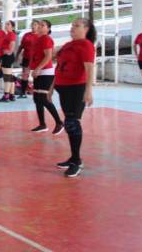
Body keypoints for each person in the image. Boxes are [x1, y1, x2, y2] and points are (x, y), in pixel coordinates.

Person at [54, 18, 96, 178]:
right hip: (63, 88)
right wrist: (51, 88)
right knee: (69, 121)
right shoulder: (68, 45)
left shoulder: (86, 45)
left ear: (86, 29)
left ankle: (77, 161)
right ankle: (73, 157)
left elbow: (89, 68)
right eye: (72, 25)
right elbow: (59, 66)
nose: (72, 28)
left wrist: (88, 90)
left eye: (76, 26)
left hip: (76, 89)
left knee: (72, 122)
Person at [30, 20, 64, 134]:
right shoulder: (38, 39)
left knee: (44, 99)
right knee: (37, 99)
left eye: (43, 25)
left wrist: (38, 68)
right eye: (39, 25)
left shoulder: (46, 39)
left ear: (48, 29)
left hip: (46, 73)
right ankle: (42, 124)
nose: (39, 26)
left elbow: (48, 56)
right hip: (39, 72)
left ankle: (59, 122)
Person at [16, 21, 39, 98]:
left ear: (38, 26)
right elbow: (21, 46)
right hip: (26, 57)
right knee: (25, 75)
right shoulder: (26, 35)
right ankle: (23, 92)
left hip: (36, 59)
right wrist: (17, 55)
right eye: (32, 25)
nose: (33, 26)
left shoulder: (40, 36)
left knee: (36, 75)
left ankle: (36, 91)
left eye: (35, 25)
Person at [0, 20, 18, 102]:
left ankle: (6, 95)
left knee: (7, 77)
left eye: (8, 24)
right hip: (7, 56)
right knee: (9, 76)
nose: (6, 25)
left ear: (12, 27)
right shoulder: (8, 34)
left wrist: (8, 52)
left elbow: (12, 44)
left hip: (7, 57)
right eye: (6, 24)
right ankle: (11, 95)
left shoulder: (11, 34)